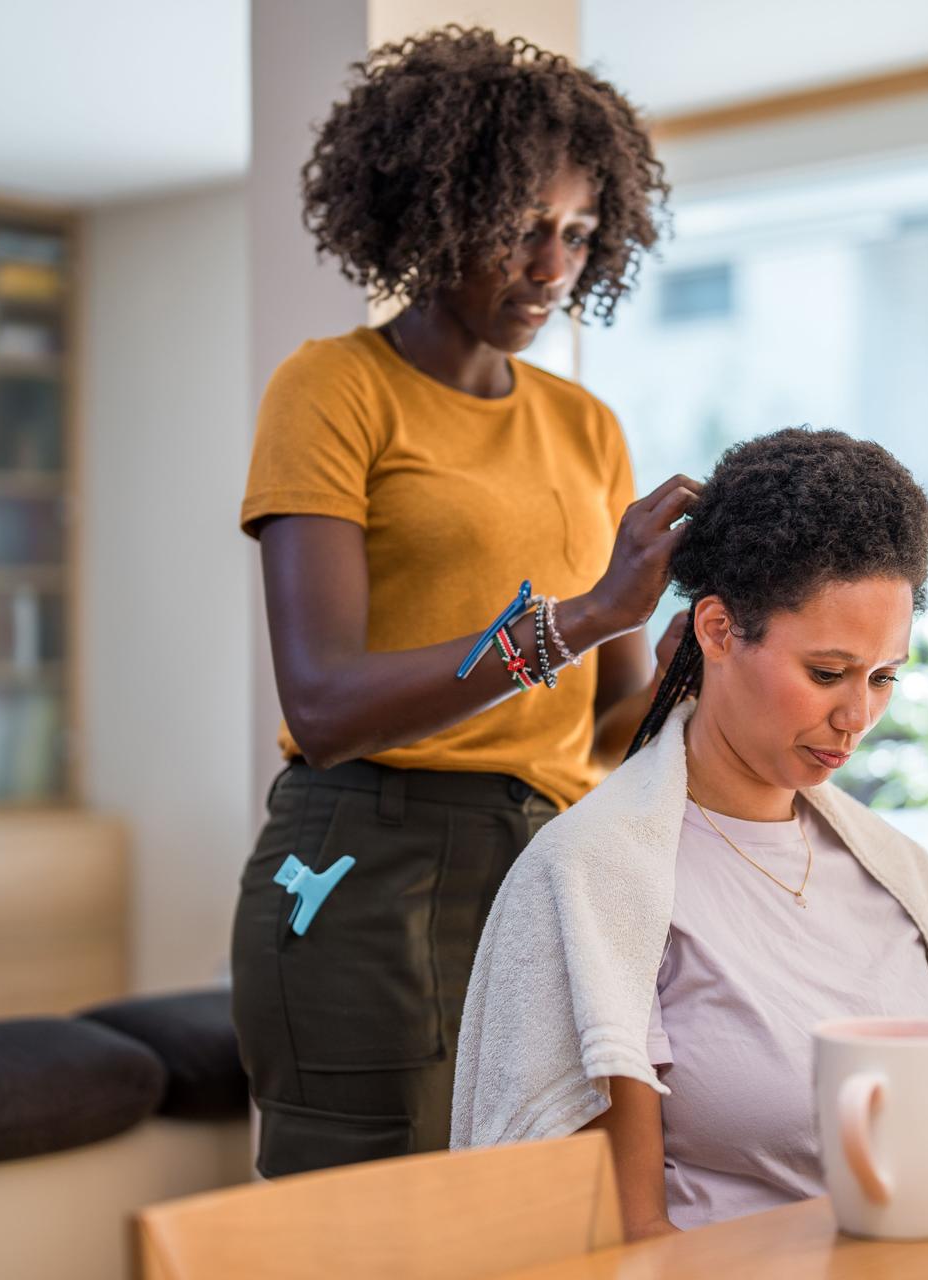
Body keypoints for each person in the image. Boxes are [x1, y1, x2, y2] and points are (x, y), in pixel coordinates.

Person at [232, 26, 689, 1178]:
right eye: (519, 228)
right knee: (372, 1233)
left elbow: (599, 725)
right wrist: (579, 617)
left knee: (535, 1213)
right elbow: (326, 700)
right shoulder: (334, 389)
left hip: (545, 869)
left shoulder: (588, 427)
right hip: (368, 866)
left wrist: (704, 659)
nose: (550, 267)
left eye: (578, 235)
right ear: (437, 214)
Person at [451, 428, 928, 1238]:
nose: (856, 717)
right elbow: (625, 1244)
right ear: (718, 631)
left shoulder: (894, 874)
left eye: (884, 677)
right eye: (826, 673)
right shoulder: (601, 882)